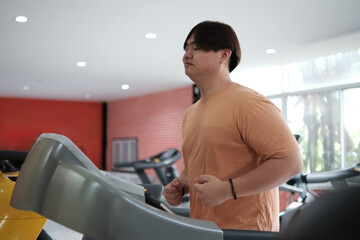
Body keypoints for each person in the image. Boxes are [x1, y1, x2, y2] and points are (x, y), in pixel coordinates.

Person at [163, 21, 303, 231]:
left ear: (224, 55)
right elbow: (197, 167)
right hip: (205, 230)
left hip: (246, 232)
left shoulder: (249, 103)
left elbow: (290, 162)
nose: (186, 55)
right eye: (186, 48)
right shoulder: (191, 113)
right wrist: (182, 185)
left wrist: (228, 190)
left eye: (196, 48)